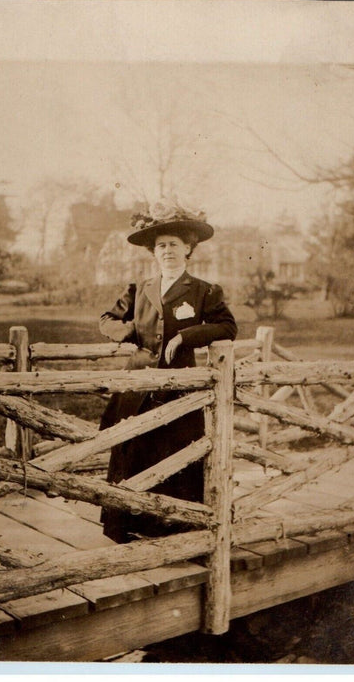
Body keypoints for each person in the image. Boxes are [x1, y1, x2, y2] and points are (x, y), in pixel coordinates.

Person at [99, 203, 237, 543]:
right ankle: (124, 523)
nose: (168, 251)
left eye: (174, 244)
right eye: (161, 245)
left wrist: (186, 336)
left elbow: (228, 326)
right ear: (153, 252)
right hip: (138, 385)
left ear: (188, 248)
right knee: (133, 448)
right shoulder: (140, 288)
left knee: (175, 452)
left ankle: (171, 526)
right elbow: (106, 321)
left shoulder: (204, 290)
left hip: (179, 387)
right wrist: (129, 331)